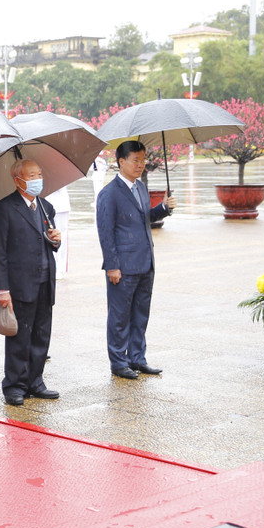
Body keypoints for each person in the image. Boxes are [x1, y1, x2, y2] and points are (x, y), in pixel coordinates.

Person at [96, 140, 176, 380]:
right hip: (123, 267)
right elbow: (105, 233)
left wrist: (163, 208)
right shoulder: (109, 193)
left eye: (143, 160)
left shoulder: (140, 187)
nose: (141, 165)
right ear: (121, 161)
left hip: (145, 262)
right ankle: (118, 362)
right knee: (119, 317)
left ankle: (137, 359)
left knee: (141, 315)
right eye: (135, 160)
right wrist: (112, 266)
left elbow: (143, 219)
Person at [0, 160, 62, 406]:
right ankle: (15, 385)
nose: (37, 179)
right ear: (18, 180)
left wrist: (56, 239)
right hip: (19, 283)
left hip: (45, 279)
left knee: (42, 334)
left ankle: (35, 381)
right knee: (19, 336)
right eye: (32, 175)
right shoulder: (4, 208)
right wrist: (2, 289)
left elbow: (50, 242)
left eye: (39, 174)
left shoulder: (45, 207)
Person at [45, 186, 71, 279]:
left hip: (60, 205)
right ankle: (52, 267)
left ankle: (60, 269)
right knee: (47, 236)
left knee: (60, 236)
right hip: (44, 205)